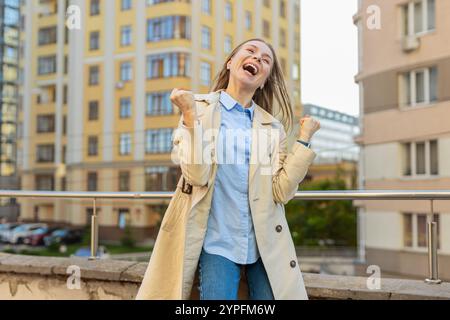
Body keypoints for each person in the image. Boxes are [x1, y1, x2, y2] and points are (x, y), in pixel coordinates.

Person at [136, 38, 320, 300]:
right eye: (251, 52)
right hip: (217, 241)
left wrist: (303, 141)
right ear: (231, 62)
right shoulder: (197, 107)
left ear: (264, 79)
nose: (257, 59)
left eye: (266, 60)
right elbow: (196, 175)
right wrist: (189, 115)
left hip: (263, 243)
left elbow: (281, 191)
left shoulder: (272, 128)